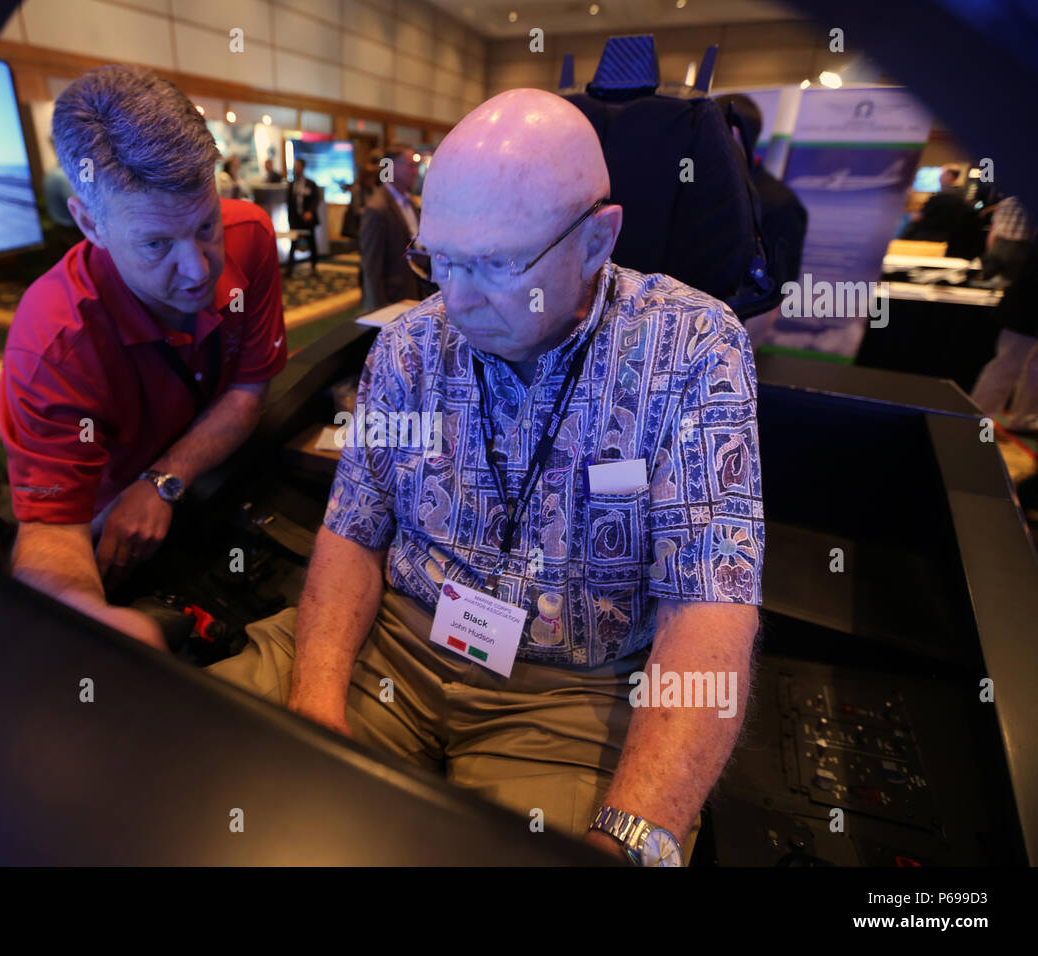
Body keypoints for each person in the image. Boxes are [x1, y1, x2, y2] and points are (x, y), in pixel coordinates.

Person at [209, 88, 763, 865]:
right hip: (396, 641)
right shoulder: (408, 345)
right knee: (207, 769)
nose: (456, 301)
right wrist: (316, 704)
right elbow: (352, 530)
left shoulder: (693, 349)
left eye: (498, 265)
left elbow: (709, 602)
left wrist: (635, 834)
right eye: (441, 261)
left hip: (573, 692)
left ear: (597, 240)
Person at [0, 65, 287, 649]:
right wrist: (92, 624)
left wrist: (162, 481)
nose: (198, 269)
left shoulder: (251, 235)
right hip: (106, 526)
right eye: (157, 243)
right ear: (90, 223)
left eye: (205, 225)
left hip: (203, 484)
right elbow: (51, 532)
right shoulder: (52, 342)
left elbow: (247, 392)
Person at [714, 94, 808, 348]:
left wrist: (740, 352)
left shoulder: (778, 204)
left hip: (735, 333)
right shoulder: (705, 186)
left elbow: (773, 294)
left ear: (734, 133)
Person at [358, 144, 435, 312]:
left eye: (416, 166)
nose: (415, 171)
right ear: (390, 167)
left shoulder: (409, 203)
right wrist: (377, 311)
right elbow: (371, 268)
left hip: (414, 293)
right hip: (393, 299)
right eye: (410, 166)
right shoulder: (377, 209)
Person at [971, 244, 1038, 431]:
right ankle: (979, 416)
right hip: (1027, 301)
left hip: (1025, 300)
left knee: (1033, 366)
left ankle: (1026, 418)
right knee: (1008, 362)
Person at [902, 166, 977, 256]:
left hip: (927, 237)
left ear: (949, 176)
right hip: (950, 240)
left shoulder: (941, 197)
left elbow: (917, 217)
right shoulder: (962, 196)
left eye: (941, 175)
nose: (939, 178)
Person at [982, 193, 1033, 282]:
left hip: (999, 245)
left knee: (989, 282)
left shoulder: (1006, 202)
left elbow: (993, 231)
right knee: (1013, 283)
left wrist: (991, 251)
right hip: (1020, 249)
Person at [286, 157, 320, 276]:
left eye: (298, 167)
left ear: (303, 167)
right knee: (293, 243)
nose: (296, 169)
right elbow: (289, 202)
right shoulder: (292, 184)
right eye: (295, 167)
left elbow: (316, 199)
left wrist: (310, 212)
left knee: (312, 243)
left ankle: (314, 267)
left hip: (308, 219)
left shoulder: (310, 183)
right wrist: (290, 219)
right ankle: (290, 269)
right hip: (295, 219)